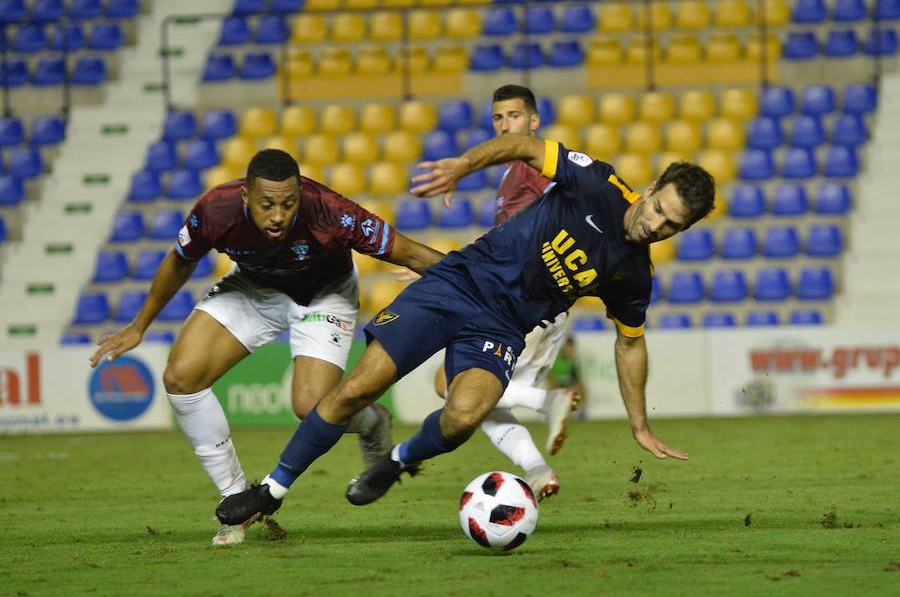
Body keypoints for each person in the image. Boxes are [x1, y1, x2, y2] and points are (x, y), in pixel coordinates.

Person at [215, 132, 716, 527]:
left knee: (462, 417)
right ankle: (272, 490)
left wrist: (639, 423)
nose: (655, 225)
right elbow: (522, 146)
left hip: (501, 327)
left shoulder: (634, 275)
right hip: (457, 284)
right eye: (657, 209)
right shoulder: (595, 183)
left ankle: (394, 461)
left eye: (670, 225)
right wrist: (461, 166)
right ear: (650, 190)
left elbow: (630, 343)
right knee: (361, 386)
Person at [89, 149, 444, 545]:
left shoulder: (328, 210)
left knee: (311, 407)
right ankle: (236, 502)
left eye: (288, 204)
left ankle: (370, 421)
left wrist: (480, 279)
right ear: (245, 196)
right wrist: (140, 325)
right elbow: (179, 261)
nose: (278, 215)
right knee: (181, 376)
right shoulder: (215, 210)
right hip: (253, 288)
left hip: (323, 294)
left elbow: (411, 252)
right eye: (267, 204)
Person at [433, 85, 581, 500]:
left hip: (526, 299)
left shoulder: (536, 168)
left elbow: (544, 231)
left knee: (451, 384)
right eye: (498, 118)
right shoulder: (515, 170)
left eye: (514, 116)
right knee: (482, 401)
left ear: (534, 121)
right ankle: (537, 470)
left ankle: (547, 401)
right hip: (544, 304)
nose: (505, 125)